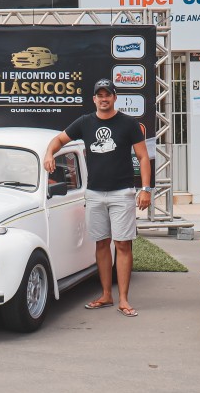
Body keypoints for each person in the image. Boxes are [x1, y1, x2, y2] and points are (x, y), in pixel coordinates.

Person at [44, 78, 151, 317]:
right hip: (93, 193)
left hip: (122, 193)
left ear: (114, 98)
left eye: (108, 95)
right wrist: (49, 154)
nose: (104, 99)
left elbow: (143, 157)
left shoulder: (128, 124)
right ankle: (106, 295)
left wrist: (145, 189)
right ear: (94, 99)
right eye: (99, 95)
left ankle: (123, 299)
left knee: (123, 244)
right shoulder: (84, 122)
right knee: (101, 243)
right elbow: (59, 140)